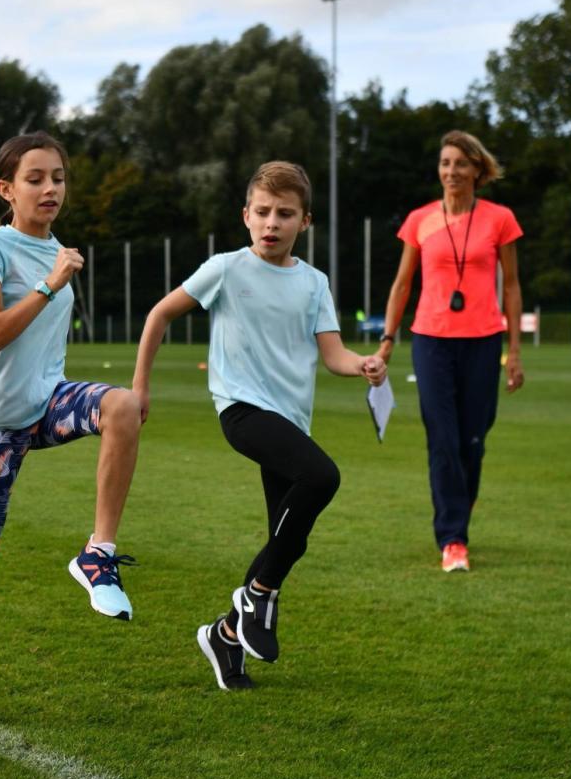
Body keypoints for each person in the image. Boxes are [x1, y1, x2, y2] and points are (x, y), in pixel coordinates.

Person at [134, 162, 385, 690]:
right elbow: (159, 314)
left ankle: (225, 636)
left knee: (288, 540)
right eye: (264, 212)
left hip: (290, 420)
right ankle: (257, 597)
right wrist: (141, 387)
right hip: (241, 410)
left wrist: (362, 364)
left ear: (305, 222)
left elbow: (333, 354)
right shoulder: (226, 268)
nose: (273, 222)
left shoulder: (314, 283)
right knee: (322, 478)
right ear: (246, 216)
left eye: (285, 214)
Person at [0, 132, 142, 620]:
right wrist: (50, 285)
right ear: (6, 189)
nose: (49, 188)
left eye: (57, 178)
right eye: (34, 179)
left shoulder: (57, 248)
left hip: (48, 403)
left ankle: (97, 555)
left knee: (123, 405)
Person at [377, 131, 524, 573]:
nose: (451, 171)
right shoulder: (420, 219)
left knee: (472, 441)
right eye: (444, 163)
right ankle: (453, 538)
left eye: (460, 163)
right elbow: (402, 284)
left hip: (483, 340)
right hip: (431, 340)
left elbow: (513, 285)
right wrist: (387, 340)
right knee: (442, 437)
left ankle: (457, 508)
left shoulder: (500, 219)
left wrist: (514, 351)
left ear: (478, 170)